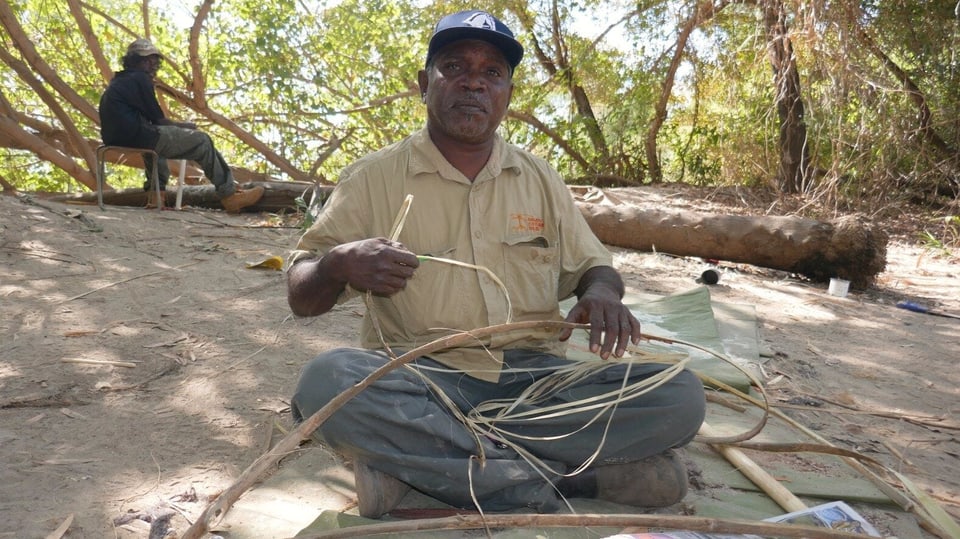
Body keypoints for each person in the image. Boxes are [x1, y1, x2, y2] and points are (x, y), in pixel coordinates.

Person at [286, 10, 705, 518]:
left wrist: (602, 293)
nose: (473, 84)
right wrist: (334, 265)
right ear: (424, 84)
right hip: (423, 382)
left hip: (538, 386)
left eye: (492, 73)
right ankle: (566, 482)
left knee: (679, 395)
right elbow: (301, 295)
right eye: (454, 67)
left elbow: (593, 267)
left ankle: (438, 476)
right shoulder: (372, 178)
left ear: (507, 92)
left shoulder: (540, 178)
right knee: (328, 383)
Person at [98, 38, 263, 212]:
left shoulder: (119, 81)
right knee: (202, 141)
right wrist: (185, 126)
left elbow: (153, 122)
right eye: (146, 60)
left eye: (153, 60)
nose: (152, 64)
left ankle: (156, 198)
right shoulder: (139, 78)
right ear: (134, 61)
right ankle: (229, 196)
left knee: (156, 144)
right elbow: (159, 120)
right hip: (137, 135)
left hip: (116, 138)